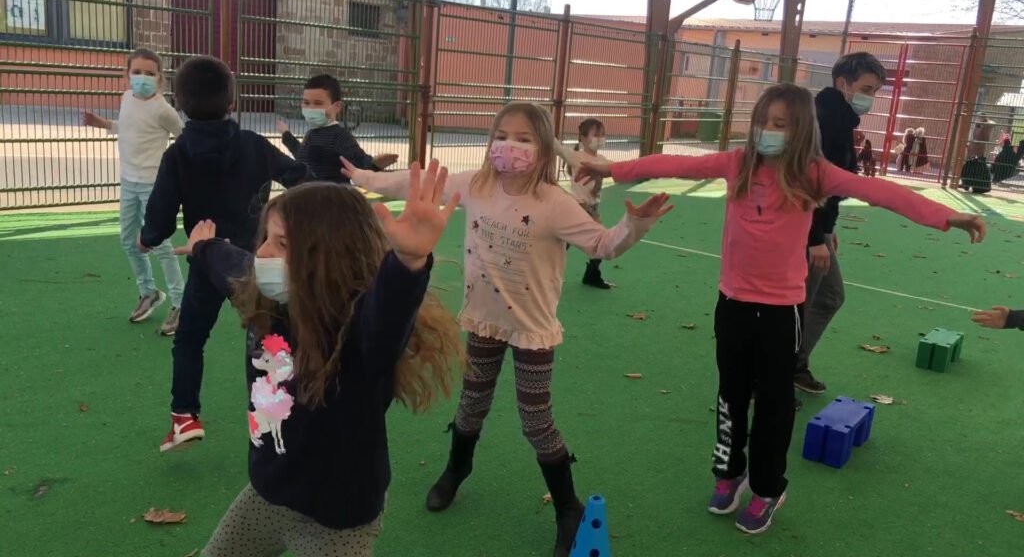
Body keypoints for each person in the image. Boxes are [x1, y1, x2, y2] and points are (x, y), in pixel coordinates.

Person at [573, 83, 985, 535]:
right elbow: (676, 163)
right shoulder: (738, 163)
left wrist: (947, 217)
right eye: (762, 122)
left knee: (773, 403)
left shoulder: (815, 173)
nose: (767, 131)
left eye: (780, 125)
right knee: (730, 395)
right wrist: (613, 169)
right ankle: (728, 474)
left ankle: (768, 488)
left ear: (800, 130)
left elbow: (880, 192)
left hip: (779, 312)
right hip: (731, 303)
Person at [343, 102, 672, 557]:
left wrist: (635, 223)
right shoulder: (476, 186)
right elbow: (414, 184)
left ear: (543, 148)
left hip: (531, 330)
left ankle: (566, 508)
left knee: (537, 421)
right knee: (471, 403)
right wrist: (363, 178)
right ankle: (458, 469)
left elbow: (602, 244)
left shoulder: (555, 203)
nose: (509, 147)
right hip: (485, 322)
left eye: (523, 139)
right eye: (502, 135)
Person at [190, 167, 464, 557]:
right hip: (267, 496)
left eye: (282, 244)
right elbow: (233, 266)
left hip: (337, 522)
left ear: (328, 258)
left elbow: (388, 317)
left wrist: (407, 262)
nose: (264, 252)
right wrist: (205, 247)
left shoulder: (359, 334)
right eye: (266, 238)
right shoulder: (271, 300)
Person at [139, 55, 311, 453]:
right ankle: (283, 417)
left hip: (207, 262)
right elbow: (297, 177)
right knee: (271, 339)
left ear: (179, 104)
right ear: (232, 102)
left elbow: (160, 218)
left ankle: (184, 416)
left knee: (190, 340)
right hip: (255, 261)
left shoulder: (177, 155)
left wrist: (147, 237)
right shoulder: (252, 144)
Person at [795, 52, 886, 399]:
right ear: (842, 84)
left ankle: (794, 365)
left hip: (817, 228)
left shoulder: (840, 117)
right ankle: (771, 376)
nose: (870, 97)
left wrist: (827, 231)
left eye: (875, 90)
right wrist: (817, 237)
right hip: (804, 230)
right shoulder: (827, 119)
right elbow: (812, 184)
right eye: (865, 88)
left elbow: (833, 187)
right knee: (796, 307)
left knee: (829, 296)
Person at [82, 48, 185, 334]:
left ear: (160, 79)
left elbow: (185, 139)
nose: (142, 78)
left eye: (149, 73)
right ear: (126, 74)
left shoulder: (164, 110)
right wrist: (101, 123)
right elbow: (125, 128)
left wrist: (174, 174)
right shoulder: (127, 98)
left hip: (154, 185)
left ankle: (180, 303)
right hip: (128, 182)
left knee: (161, 245)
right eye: (137, 72)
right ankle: (148, 292)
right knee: (128, 240)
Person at [276, 74, 397, 182]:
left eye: (318, 103)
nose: (310, 109)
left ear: (337, 107)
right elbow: (302, 156)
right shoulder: (311, 134)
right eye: (306, 103)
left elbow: (359, 163)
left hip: (333, 200)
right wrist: (286, 134)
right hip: (311, 199)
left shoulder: (340, 136)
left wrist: (375, 163)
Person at [566, 117, 614, 289]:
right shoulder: (576, 157)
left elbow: (619, 168)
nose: (600, 138)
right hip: (577, 207)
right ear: (583, 138)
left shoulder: (602, 159)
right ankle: (540, 272)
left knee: (600, 241)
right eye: (595, 134)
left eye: (602, 134)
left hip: (593, 209)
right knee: (562, 243)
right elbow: (557, 149)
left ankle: (592, 275)